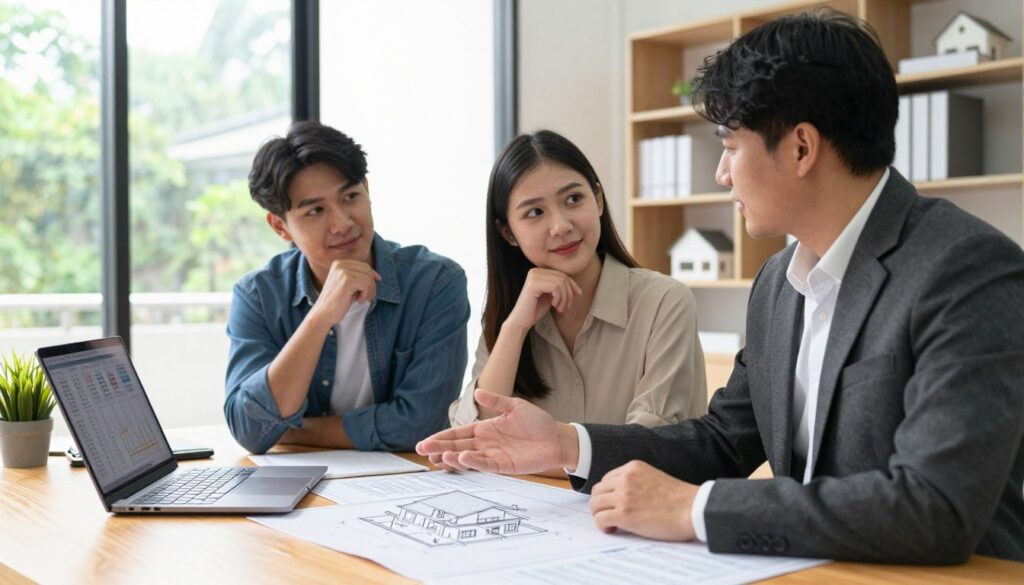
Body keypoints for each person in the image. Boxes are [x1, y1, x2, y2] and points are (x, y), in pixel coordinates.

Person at [418, 9, 1024, 563]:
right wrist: (564, 444)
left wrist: (694, 509)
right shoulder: (778, 286)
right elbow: (722, 442)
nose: (721, 172)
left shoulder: (965, 269)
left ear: (801, 147)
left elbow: (935, 507)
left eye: (731, 145)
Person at [225, 121, 470, 454]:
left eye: (351, 196)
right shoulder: (257, 295)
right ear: (280, 226)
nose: (342, 223)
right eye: (315, 210)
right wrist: (320, 316)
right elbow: (250, 429)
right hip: (300, 487)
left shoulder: (435, 282)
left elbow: (422, 425)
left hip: (406, 486)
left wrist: (294, 430)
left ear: (367, 190)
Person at [448, 130, 707, 436]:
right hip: (529, 486)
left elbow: (649, 442)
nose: (560, 226)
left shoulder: (664, 302)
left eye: (573, 199)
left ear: (597, 200)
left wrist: (548, 454)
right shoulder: (511, 315)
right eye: (535, 212)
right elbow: (475, 434)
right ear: (508, 233)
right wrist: (515, 327)